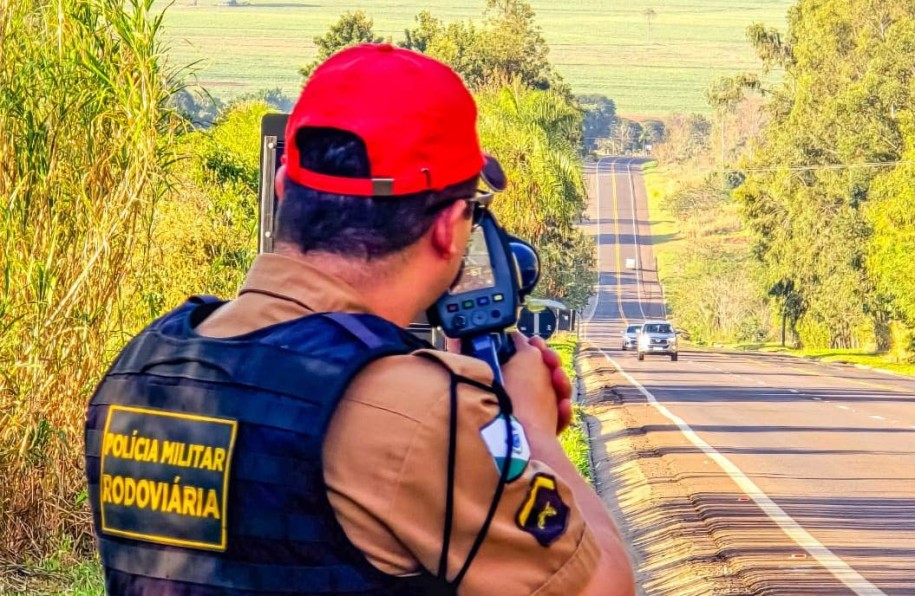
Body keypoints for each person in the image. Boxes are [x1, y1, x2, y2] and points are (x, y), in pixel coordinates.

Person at [84, 43, 633, 595]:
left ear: (282, 194)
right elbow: (601, 587)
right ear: (448, 227)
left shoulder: (142, 366)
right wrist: (532, 430)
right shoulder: (422, 416)